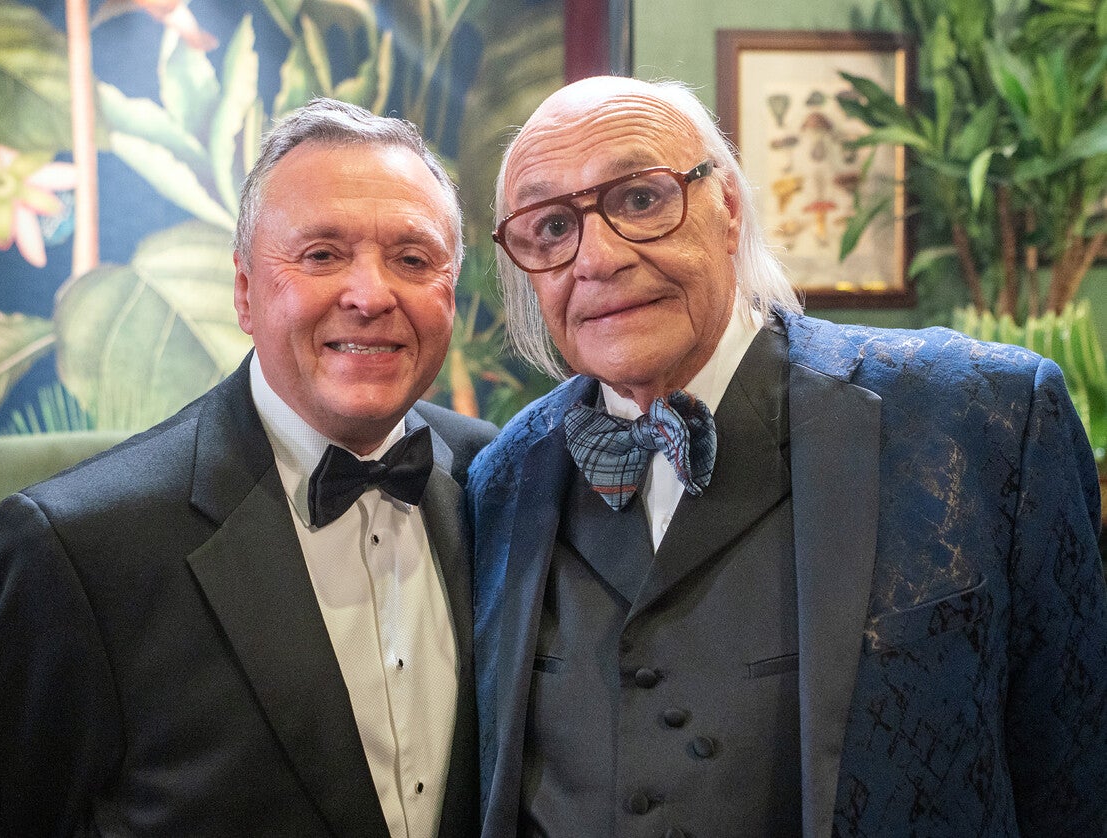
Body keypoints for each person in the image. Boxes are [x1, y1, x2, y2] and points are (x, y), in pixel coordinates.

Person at [469, 75, 1107, 837]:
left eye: (640, 199)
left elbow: (1078, 775)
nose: (597, 258)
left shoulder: (986, 417)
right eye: (550, 227)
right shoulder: (502, 477)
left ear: (728, 208)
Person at [0, 98, 495, 837]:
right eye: (321, 255)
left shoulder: (495, 478)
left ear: (450, 290)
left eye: (412, 260)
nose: (371, 294)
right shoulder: (78, 548)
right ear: (246, 293)